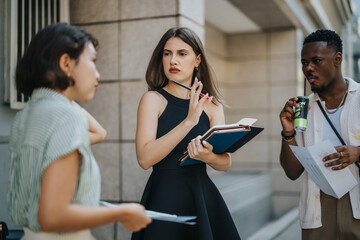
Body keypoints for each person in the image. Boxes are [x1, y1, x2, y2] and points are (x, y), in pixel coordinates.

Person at [7, 22, 151, 240]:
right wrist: (122, 212)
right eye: (92, 61)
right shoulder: (67, 116)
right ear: (66, 62)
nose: (98, 74)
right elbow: (53, 215)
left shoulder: (26, 115)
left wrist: (66, 96)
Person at [131, 27, 241, 240]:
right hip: (163, 197)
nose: (173, 60)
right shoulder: (153, 100)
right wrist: (189, 121)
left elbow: (225, 163)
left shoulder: (212, 106)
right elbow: (144, 159)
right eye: (167, 53)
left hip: (201, 197)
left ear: (197, 60)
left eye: (182, 54)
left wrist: (206, 156)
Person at [279, 29, 360, 239]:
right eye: (304, 62)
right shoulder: (304, 109)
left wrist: (357, 153)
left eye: (316, 61)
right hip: (317, 208)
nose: (308, 68)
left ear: (337, 59)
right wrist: (288, 132)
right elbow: (292, 172)